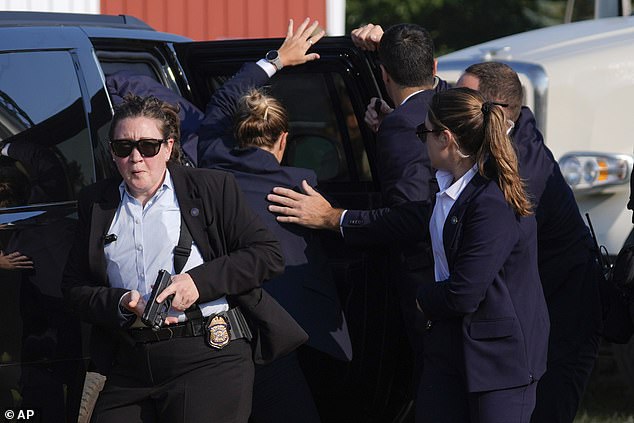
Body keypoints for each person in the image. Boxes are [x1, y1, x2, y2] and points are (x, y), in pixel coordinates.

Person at [61, 94, 304, 423]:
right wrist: (121, 303)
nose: (136, 158)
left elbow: (266, 255)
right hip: (130, 358)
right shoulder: (96, 202)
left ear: (167, 146)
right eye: (123, 147)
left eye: (147, 146)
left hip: (206, 353)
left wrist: (197, 283)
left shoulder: (209, 188)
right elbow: (75, 287)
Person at [267, 23, 447, 394]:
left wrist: (331, 217)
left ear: (383, 74)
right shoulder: (457, 104)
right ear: (434, 66)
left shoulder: (402, 127)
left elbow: (412, 217)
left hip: (426, 286)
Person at [456, 62, 603, 423]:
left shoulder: (521, 168)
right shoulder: (511, 137)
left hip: (566, 318)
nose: (454, 105)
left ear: (497, 112)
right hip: (545, 312)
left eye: (464, 99)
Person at [415, 87, 549, 422]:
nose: (422, 140)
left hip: (497, 364)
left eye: (425, 132)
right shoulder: (449, 187)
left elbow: (464, 293)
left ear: (446, 138)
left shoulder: (490, 201)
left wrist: (422, 299)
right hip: (452, 351)